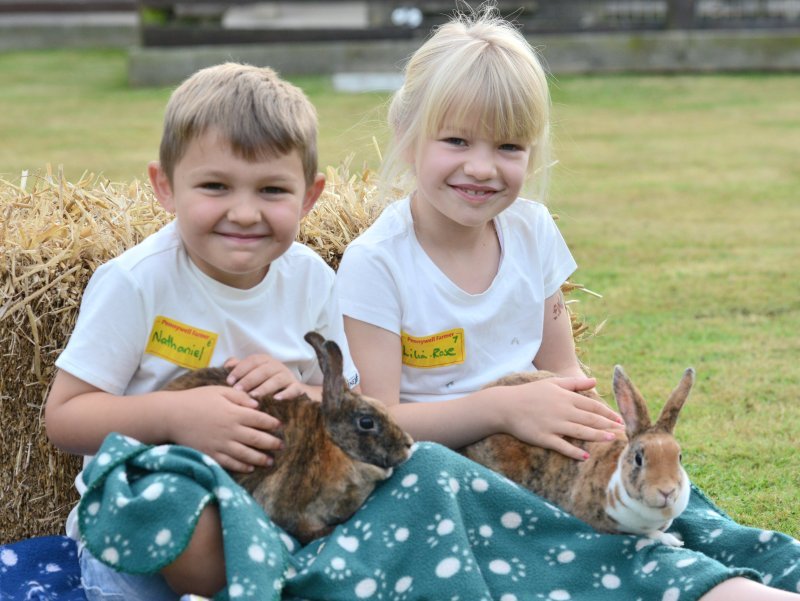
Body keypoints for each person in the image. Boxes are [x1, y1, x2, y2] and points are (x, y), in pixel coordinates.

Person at [335, 5, 800, 600]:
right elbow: (380, 424)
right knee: (585, 545)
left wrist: (601, 440)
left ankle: (752, 569)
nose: (482, 167)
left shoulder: (530, 232)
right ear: (406, 134)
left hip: (546, 459)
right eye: (455, 140)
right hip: (448, 473)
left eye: (508, 146)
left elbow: (565, 372)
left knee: (678, 512)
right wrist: (502, 411)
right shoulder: (378, 263)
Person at [44, 62, 358, 600]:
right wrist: (174, 415)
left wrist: (297, 391)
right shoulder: (137, 283)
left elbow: (346, 403)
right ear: (165, 187)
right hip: (147, 519)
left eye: (272, 190)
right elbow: (65, 417)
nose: (243, 212)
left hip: (268, 509)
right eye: (215, 186)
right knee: (191, 518)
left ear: (309, 196)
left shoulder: (312, 280)